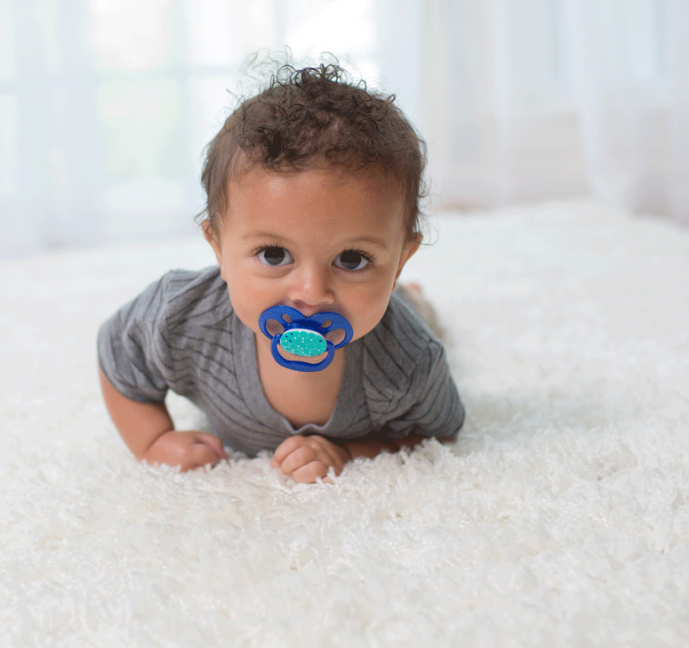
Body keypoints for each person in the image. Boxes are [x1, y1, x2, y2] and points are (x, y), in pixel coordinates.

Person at [98, 63, 465, 483]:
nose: (311, 293)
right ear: (217, 246)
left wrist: (350, 452)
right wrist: (152, 441)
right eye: (274, 255)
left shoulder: (409, 359)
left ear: (400, 258)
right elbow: (118, 356)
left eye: (352, 259)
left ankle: (410, 296)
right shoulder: (181, 316)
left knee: (412, 312)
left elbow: (436, 434)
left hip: (397, 312)